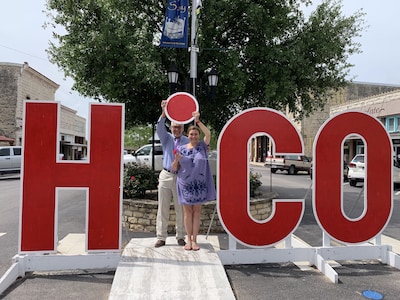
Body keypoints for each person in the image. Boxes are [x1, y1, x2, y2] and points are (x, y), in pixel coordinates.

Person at [171, 111, 216, 251]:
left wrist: (198, 121)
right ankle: (188, 240)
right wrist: (177, 160)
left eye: (196, 134)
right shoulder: (181, 149)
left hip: (199, 184)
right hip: (185, 183)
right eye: (191, 134)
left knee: (197, 211)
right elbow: (174, 168)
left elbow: (208, 134)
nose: (194, 136)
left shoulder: (203, 146)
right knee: (187, 213)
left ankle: (195, 240)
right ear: (187, 135)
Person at [154, 100, 189, 248]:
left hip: (180, 176)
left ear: (182, 128)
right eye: (174, 127)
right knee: (163, 207)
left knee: (181, 208)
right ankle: (161, 237)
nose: (176, 129)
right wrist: (163, 111)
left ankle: (180, 236)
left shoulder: (187, 140)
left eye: (179, 127)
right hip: (166, 175)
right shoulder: (166, 138)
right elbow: (159, 127)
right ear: (172, 127)